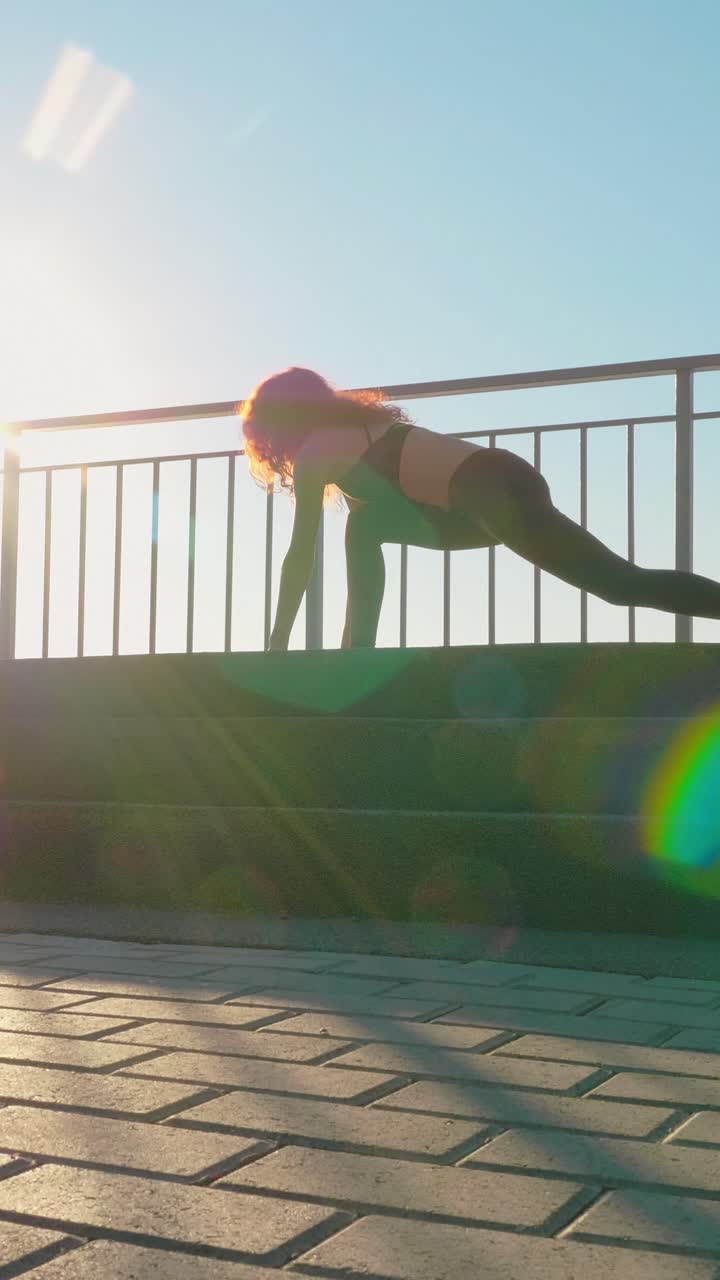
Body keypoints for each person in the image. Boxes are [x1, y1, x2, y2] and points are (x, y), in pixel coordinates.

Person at [240, 366, 720, 650]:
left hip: (485, 490)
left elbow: (301, 553)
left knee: (618, 583)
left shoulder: (316, 455)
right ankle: (356, 655)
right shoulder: (354, 430)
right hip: (486, 491)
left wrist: (277, 641)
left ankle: (355, 656)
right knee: (365, 525)